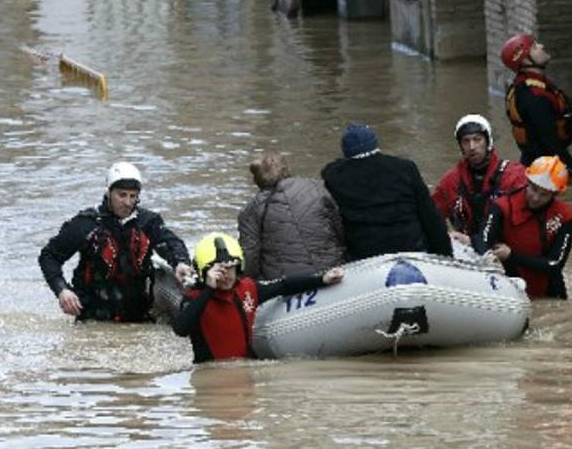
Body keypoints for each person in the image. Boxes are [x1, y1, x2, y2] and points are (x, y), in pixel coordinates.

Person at [38, 162, 194, 322]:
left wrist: (181, 262)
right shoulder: (86, 224)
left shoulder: (148, 222)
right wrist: (62, 290)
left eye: (133, 196)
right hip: (93, 318)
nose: (127, 202)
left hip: (137, 317)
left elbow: (172, 244)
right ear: (109, 192)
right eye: (122, 195)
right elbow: (49, 256)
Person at [172, 232, 344, 364]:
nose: (227, 275)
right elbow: (180, 329)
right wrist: (209, 289)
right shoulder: (194, 298)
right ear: (204, 272)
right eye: (220, 270)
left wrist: (321, 279)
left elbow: (283, 285)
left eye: (231, 268)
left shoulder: (248, 289)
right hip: (210, 374)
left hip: (244, 368)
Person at [321, 122, 453, 261]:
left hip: (364, 256)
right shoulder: (405, 168)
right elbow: (430, 217)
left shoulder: (333, 176)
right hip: (411, 248)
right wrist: (445, 256)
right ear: (375, 145)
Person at [473, 156, 572, 299]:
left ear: (555, 194)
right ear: (527, 181)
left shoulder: (565, 215)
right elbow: (483, 240)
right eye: (533, 189)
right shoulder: (502, 206)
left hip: (549, 291)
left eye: (544, 194)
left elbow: (555, 263)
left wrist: (511, 256)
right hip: (510, 288)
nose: (535, 197)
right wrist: (488, 255)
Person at [238, 152, 345, 280]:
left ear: (257, 180)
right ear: (286, 169)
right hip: (331, 269)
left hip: (287, 282)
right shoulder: (316, 187)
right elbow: (338, 229)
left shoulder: (251, 210)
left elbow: (250, 257)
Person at [500, 33, 572, 184]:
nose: (541, 46)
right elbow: (550, 141)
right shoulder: (533, 97)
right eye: (535, 47)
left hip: (536, 163)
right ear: (524, 60)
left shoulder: (528, 85)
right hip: (544, 171)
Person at [431, 114, 527, 245]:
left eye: (477, 140)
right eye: (466, 141)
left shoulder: (515, 175)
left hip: (507, 249)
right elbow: (431, 216)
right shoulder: (451, 181)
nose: (472, 147)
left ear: (488, 142)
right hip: (468, 249)